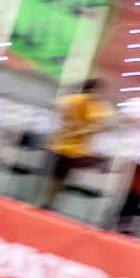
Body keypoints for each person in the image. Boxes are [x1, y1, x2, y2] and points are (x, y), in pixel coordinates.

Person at [39, 78, 113, 209]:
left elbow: (58, 110)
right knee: (59, 177)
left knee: (55, 176)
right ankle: (49, 202)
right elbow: (98, 126)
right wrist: (81, 130)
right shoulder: (92, 105)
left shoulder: (72, 100)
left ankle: (48, 201)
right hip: (71, 148)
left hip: (66, 146)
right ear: (93, 90)